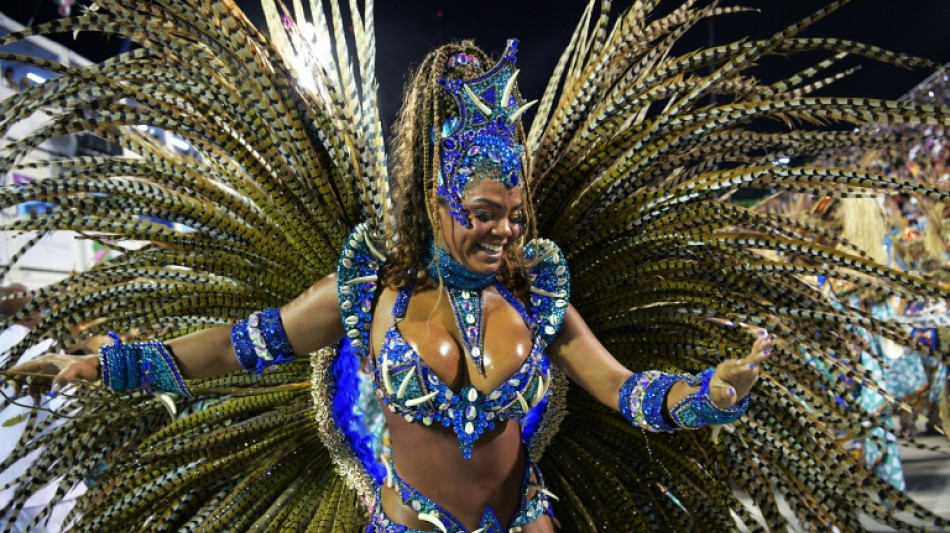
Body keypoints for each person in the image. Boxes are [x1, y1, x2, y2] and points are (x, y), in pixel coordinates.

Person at [1, 1, 949, 531]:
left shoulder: (540, 289)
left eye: (517, 210)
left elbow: (623, 391)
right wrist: (107, 362)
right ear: (436, 201)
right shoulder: (366, 285)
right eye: (487, 213)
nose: (506, 229)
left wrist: (712, 392)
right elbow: (237, 350)